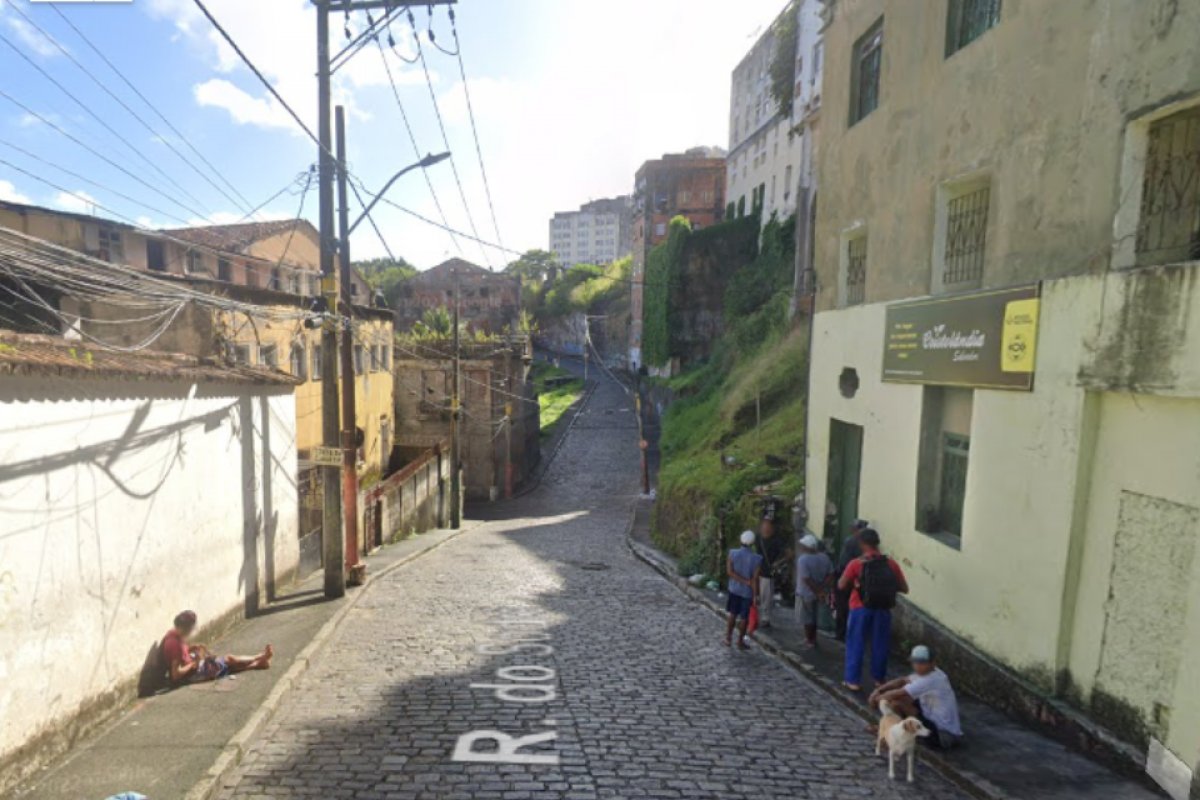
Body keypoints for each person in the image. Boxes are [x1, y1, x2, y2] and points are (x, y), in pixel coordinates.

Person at [837, 528, 908, 691]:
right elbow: (904, 588)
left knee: (856, 642)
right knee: (880, 644)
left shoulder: (856, 563)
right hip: (883, 607)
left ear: (862, 544)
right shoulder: (891, 564)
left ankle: (852, 680)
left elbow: (841, 585)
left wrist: (857, 584)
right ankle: (879, 679)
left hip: (860, 606)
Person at [870, 645, 963, 749]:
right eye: (915, 662)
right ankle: (893, 730)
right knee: (901, 700)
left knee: (898, 702)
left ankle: (894, 735)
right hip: (933, 723)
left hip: (943, 735)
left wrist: (876, 699)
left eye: (922, 663)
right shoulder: (930, 672)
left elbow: (898, 693)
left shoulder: (932, 679)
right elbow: (902, 680)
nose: (917, 666)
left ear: (932, 663)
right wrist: (879, 690)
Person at [161, 610, 274, 685]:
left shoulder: (173, 634)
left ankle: (259, 662)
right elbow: (176, 675)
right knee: (229, 660)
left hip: (193, 667)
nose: (192, 631)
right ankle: (259, 657)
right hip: (191, 674)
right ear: (186, 628)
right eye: (191, 628)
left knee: (228, 665)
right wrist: (194, 663)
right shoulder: (175, 646)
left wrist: (191, 649)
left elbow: (182, 656)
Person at [794, 533, 834, 649]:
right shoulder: (825, 557)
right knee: (815, 618)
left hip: (805, 593)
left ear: (806, 547)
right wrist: (822, 588)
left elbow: (806, 579)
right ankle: (813, 639)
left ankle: (809, 640)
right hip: (820, 593)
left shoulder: (803, 560)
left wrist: (817, 590)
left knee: (807, 618)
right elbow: (831, 574)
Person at [725, 530, 763, 651]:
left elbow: (729, 572)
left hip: (734, 589)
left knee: (732, 614)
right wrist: (756, 595)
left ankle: (728, 638)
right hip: (747, 592)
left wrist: (743, 581)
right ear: (753, 543)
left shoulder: (732, 553)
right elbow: (755, 579)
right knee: (744, 618)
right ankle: (740, 641)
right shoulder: (757, 559)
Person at [834, 518, 870, 641]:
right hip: (860, 578)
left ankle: (841, 633)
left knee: (842, 605)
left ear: (855, 529)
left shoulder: (851, 541)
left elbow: (843, 562)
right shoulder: (867, 544)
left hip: (847, 575)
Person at [756, 502, 789, 628]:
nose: (765, 527)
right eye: (764, 524)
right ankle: (757, 615)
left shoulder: (776, 541)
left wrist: (777, 563)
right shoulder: (758, 538)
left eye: (768, 525)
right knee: (758, 594)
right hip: (757, 570)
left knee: (766, 595)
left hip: (767, 572)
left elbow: (789, 554)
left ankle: (765, 617)